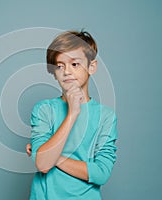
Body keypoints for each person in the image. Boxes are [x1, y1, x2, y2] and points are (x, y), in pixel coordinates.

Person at [26, 30, 118, 200]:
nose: (67, 71)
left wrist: (53, 157)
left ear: (92, 67)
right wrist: (72, 114)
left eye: (74, 64)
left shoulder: (106, 116)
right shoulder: (44, 110)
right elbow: (43, 166)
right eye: (60, 66)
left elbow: (101, 173)